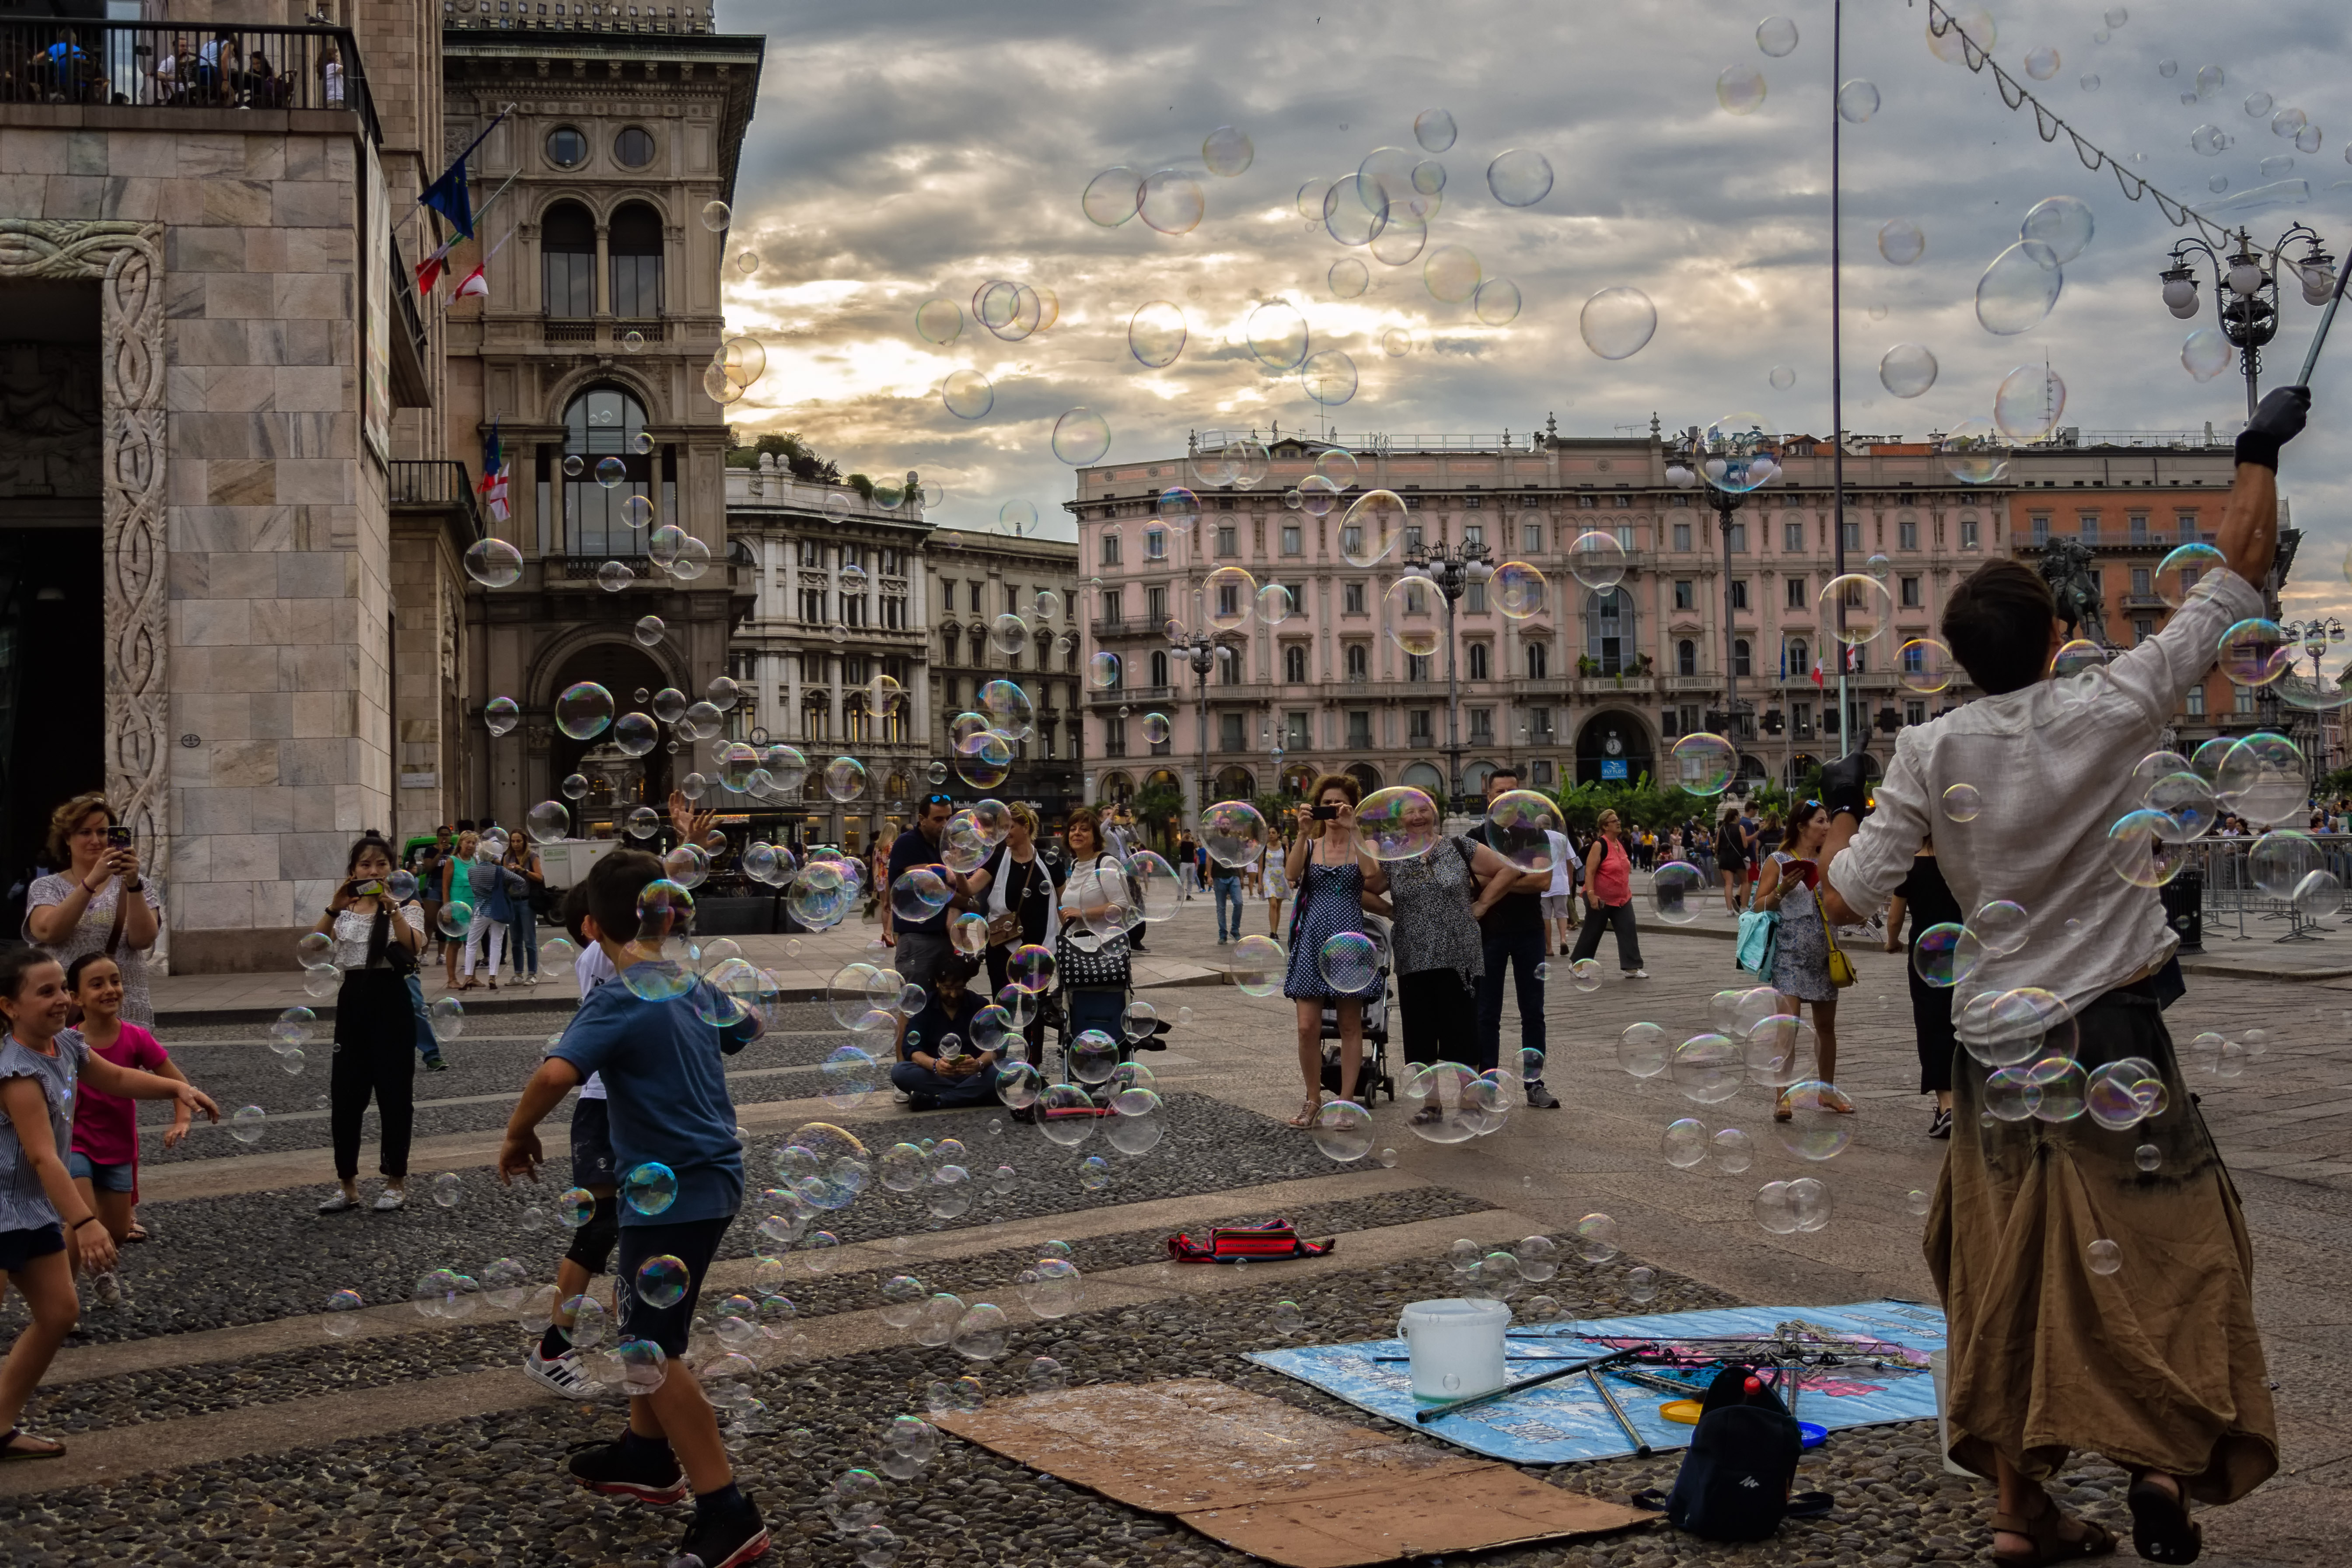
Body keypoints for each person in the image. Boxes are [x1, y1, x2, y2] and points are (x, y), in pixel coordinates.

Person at [1807, 385, 2309, 1567]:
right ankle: (2154, 1469)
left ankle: (2015, 1519)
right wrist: (2254, 450)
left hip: (1996, 1046)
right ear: (2053, 637)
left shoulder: (1928, 749)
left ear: (1964, 658)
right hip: (2117, 1029)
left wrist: (1830, 838)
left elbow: (1851, 895)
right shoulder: (2112, 701)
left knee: (2002, 1272)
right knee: (2169, 1248)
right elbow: (2232, 575)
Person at [497, 848, 771, 1568]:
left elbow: (557, 1071)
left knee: (650, 1349)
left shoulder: (617, 996)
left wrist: (518, 1132)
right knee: (639, 1315)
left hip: (672, 1186)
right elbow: (748, 1031)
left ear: (591, 926)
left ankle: (727, 1512)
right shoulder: (682, 982)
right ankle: (645, 1454)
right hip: (708, 1179)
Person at [0, 945, 219, 1460]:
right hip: (6, 1207)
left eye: (60, 989)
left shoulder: (68, 1047)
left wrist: (178, 1089)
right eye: (46, 991)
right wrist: (86, 1221)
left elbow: (117, 1078)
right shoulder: (16, 1072)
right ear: (9, 1007)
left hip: (30, 1210)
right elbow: (43, 1157)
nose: (60, 1001)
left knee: (58, 1313)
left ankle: (0, 1424)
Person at [524, 884, 624, 1401]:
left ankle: (641, 1342)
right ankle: (552, 1350)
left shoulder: (615, 950)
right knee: (599, 1228)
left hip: (630, 1105)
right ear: (593, 924)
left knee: (643, 1224)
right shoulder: (599, 958)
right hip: (603, 1104)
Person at [1357, 793, 1519, 1093]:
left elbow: (1508, 868)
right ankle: (1430, 1104)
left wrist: (1482, 904)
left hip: (1460, 953)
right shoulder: (1393, 856)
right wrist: (1389, 909)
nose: (1417, 817)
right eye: (1410, 812)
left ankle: (1469, 1098)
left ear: (1434, 813)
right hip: (1412, 953)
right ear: (1400, 819)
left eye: (1423, 810)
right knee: (1419, 1031)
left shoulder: (1459, 846)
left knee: (1464, 1029)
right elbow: (1362, 886)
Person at [63, 953, 194, 1306]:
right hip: (75, 1143)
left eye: (115, 980)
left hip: (119, 1146)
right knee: (83, 1218)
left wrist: (181, 1118)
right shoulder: (67, 1042)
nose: (110, 989)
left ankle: (99, 1267)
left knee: (117, 1231)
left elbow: (177, 1084)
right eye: (97, 983)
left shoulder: (136, 1038)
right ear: (76, 997)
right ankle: (62, 1298)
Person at [314, 833, 428, 1214]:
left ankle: (396, 1181)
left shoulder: (406, 907)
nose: (373, 870)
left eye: (381, 864)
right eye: (365, 864)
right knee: (346, 1098)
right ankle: (347, 1185)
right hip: (353, 1004)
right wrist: (333, 906)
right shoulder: (343, 912)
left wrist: (391, 909)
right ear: (353, 871)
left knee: (396, 1097)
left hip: (392, 1002)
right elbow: (313, 948)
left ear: (392, 869)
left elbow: (413, 946)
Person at [1279, 775, 1380, 1124]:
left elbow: (1370, 875)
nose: (1335, 810)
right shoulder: (1310, 845)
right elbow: (1291, 875)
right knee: (1307, 1027)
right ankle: (1312, 1099)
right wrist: (1303, 832)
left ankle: (1346, 1100)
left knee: (1350, 1026)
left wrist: (1354, 830)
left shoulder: (1362, 844)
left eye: (1341, 804)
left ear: (1352, 806)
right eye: (1329, 804)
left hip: (1349, 940)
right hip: (1311, 939)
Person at [23, 793, 163, 1028]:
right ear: (67, 839)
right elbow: (49, 932)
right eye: (85, 833)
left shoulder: (139, 885)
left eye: (103, 832)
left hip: (122, 1008)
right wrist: (93, 880)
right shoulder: (47, 887)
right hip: (68, 1009)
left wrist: (132, 884)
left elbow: (143, 940)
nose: (96, 841)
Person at [1463, 767, 1559, 1104]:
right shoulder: (1473, 836)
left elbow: (1542, 882)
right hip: (1488, 932)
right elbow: (1470, 884)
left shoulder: (1534, 834)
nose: (1505, 796)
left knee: (1533, 1010)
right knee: (1485, 1011)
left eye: (1512, 791)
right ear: (1488, 796)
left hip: (1529, 930)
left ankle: (1535, 1084)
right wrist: (1517, 873)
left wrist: (1499, 881)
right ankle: (1487, 1081)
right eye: (1499, 791)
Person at [1752, 802, 1847, 1113]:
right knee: (1788, 1027)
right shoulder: (1778, 861)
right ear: (1802, 826)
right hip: (1789, 955)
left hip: (1823, 954)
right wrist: (1781, 890)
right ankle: (1783, 1095)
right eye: (1821, 821)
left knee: (1826, 1027)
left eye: (1828, 820)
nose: (1827, 826)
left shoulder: (1828, 862)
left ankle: (1827, 1092)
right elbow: (1756, 906)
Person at [965, 802, 1061, 1066]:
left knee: (1037, 1010)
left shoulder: (1050, 864)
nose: (1003, 832)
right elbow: (971, 888)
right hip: (1003, 949)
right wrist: (958, 869)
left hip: (1041, 949)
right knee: (1002, 1007)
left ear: (1025, 827)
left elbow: (1062, 904)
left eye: (1009, 827)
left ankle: (1034, 1064)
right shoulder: (996, 859)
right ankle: (999, 1062)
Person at [1885, 837, 1961, 1140]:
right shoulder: (1960, 861)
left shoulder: (1908, 864)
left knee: (1932, 1024)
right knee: (1963, 1021)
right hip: (1962, 947)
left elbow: (1894, 919)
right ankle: (1972, 1100)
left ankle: (1947, 1106)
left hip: (1925, 953)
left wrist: (1892, 943)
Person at [889, 955, 1000, 1110]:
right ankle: (978, 1094)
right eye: (947, 988)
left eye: (959, 988)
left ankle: (939, 1100)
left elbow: (994, 1048)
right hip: (937, 1074)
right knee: (900, 1072)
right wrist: (935, 1065)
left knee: (1007, 1069)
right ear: (937, 983)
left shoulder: (980, 1004)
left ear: (966, 984)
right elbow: (912, 1049)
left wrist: (979, 1064)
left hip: (974, 1072)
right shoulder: (925, 1006)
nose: (954, 995)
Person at [1568, 809, 1648, 979]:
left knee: (1628, 928)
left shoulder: (1620, 844)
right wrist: (1591, 895)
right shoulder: (1600, 845)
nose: (1618, 823)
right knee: (1593, 931)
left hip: (1622, 898)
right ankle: (1577, 965)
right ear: (1605, 826)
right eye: (1614, 821)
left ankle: (1632, 967)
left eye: (1618, 820)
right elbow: (1589, 872)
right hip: (1600, 898)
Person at [440, 830, 478, 991]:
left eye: (474, 843)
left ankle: (472, 976)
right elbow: (445, 887)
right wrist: (447, 910)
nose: (471, 846)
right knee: (454, 944)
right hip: (457, 909)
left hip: (473, 908)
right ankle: (452, 979)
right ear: (461, 843)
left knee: (472, 944)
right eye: (468, 842)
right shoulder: (452, 861)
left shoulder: (475, 861)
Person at [505, 834, 545, 987]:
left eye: (518, 841)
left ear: (524, 842)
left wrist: (523, 870)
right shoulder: (508, 858)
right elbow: (504, 879)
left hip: (527, 902)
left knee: (530, 940)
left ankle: (532, 974)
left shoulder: (532, 857)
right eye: (513, 841)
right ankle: (518, 974)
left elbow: (539, 877)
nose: (515, 844)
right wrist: (508, 874)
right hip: (512, 901)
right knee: (515, 940)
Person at [1541, 825, 1583, 956]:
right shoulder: (1562, 838)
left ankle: (1549, 948)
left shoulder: (1537, 838)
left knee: (1545, 915)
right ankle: (1563, 940)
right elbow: (1570, 860)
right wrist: (1570, 878)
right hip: (1561, 882)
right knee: (1562, 913)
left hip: (1543, 882)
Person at [1715, 803, 1750, 915]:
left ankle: (1729, 910)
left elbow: (1717, 845)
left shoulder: (1722, 828)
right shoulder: (1741, 828)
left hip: (1725, 859)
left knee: (1728, 884)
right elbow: (1745, 845)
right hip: (1738, 858)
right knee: (1745, 882)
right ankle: (1744, 907)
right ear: (1735, 817)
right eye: (1739, 816)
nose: (1740, 818)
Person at [1209, 840, 1245, 943]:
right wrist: (1209, 876)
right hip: (1219, 877)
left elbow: (1238, 860)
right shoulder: (1214, 841)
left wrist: (1241, 877)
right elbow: (1209, 858)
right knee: (1221, 907)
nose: (1226, 826)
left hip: (1234, 875)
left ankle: (1235, 930)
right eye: (1224, 824)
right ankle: (1223, 934)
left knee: (1239, 903)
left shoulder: (1234, 841)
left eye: (1227, 824)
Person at [1262, 826, 1290, 936]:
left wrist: (1290, 879)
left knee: (1278, 906)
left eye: (1274, 833)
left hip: (1281, 877)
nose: (1271, 835)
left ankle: (1275, 931)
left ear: (1279, 834)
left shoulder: (1284, 848)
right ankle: (1272, 932)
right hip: (1269, 876)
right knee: (1273, 904)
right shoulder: (1264, 848)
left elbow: (1288, 864)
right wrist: (1260, 883)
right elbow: (1261, 866)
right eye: (1269, 833)